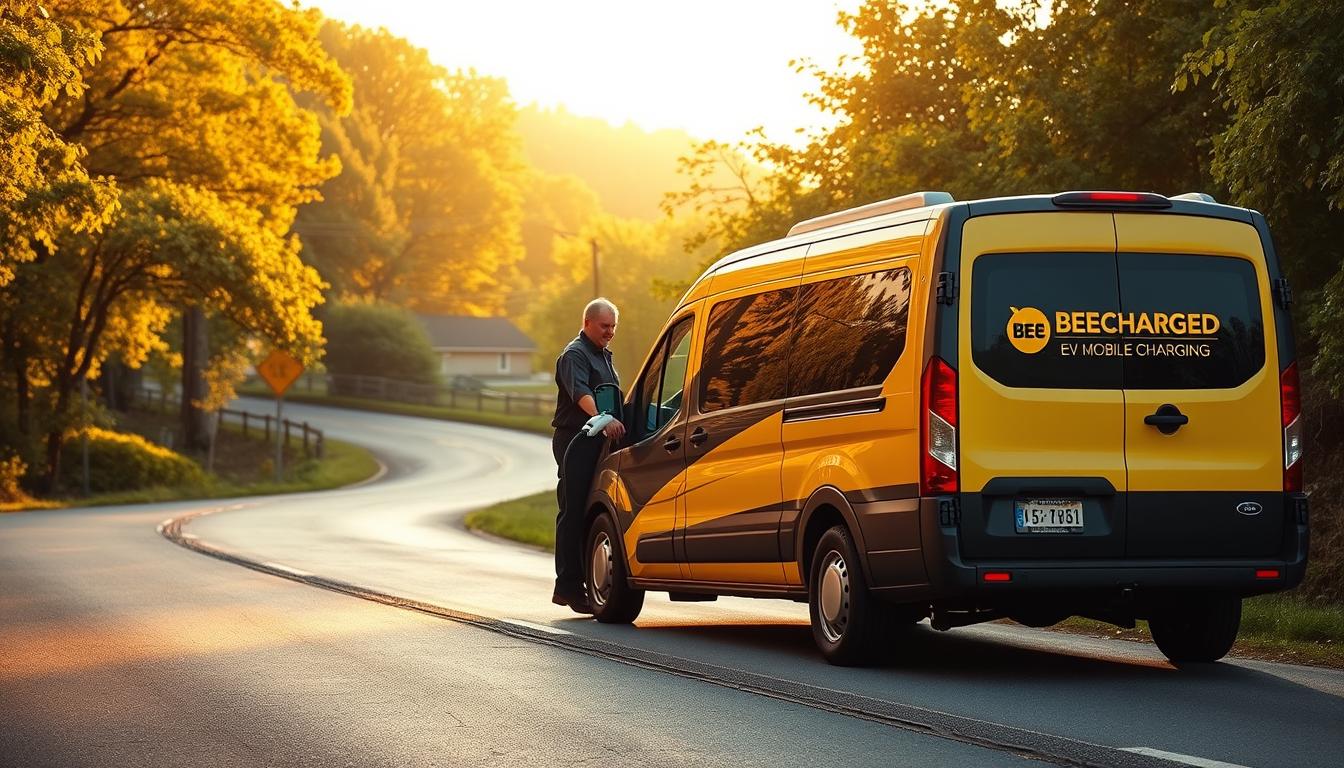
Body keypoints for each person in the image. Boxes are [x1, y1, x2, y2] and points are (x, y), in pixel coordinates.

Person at [551, 298, 626, 613]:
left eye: (613, 327)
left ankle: (582, 582)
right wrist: (603, 419)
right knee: (574, 511)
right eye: (604, 326)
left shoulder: (603, 355)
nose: (609, 332)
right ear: (588, 323)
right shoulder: (575, 355)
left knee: (591, 510)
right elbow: (580, 393)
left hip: (597, 440)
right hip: (576, 440)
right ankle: (567, 586)